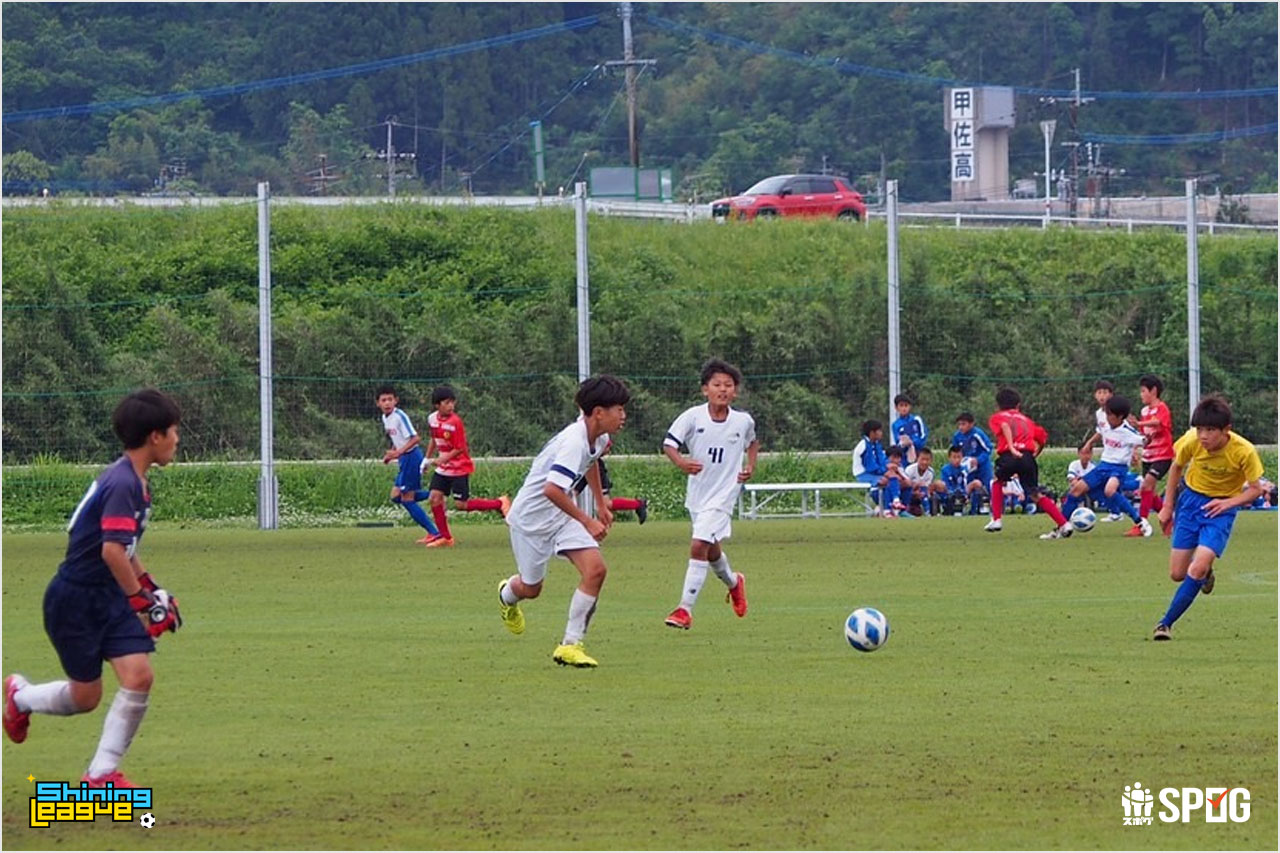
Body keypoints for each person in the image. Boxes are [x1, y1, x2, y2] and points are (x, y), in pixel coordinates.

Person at [4, 389, 184, 788]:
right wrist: (141, 603)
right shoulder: (123, 483)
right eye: (173, 431)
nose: (177, 439)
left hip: (106, 594)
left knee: (139, 676)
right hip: (76, 598)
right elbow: (111, 552)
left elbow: (126, 549)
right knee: (85, 697)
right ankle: (19, 697)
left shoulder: (134, 480)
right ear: (155, 436)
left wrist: (152, 590)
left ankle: (100, 775)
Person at [496, 375, 630, 668]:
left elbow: (591, 462)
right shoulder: (572, 442)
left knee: (596, 570)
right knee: (531, 589)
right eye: (619, 409)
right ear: (598, 412)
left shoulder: (599, 438)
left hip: (561, 517)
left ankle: (570, 644)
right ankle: (507, 596)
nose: (624, 416)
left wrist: (600, 503)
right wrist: (588, 520)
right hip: (530, 522)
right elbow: (552, 490)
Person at [1152, 395, 1265, 640]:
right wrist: (1167, 506)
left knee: (1197, 566)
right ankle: (1206, 572)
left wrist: (1228, 503)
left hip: (1221, 509)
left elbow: (1256, 490)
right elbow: (1176, 467)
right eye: (1200, 429)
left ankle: (1165, 624)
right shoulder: (1191, 441)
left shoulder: (1244, 451)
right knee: (1177, 574)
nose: (1203, 436)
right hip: (1190, 503)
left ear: (1226, 430)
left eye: (1210, 430)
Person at [662, 359, 757, 630]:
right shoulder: (693, 417)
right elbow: (669, 444)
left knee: (698, 545)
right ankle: (734, 582)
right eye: (717, 384)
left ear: (735, 391)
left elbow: (752, 442)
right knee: (711, 551)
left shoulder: (743, 421)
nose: (723, 389)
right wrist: (681, 463)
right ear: (705, 389)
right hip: (698, 495)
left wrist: (750, 466)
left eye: (728, 385)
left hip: (724, 495)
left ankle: (684, 609)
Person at [421, 385, 510, 547]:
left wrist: (444, 458)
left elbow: (460, 448)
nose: (451, 406)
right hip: (443, 469)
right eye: (447, 403)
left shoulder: (455, 422)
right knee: (434, 498)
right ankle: (446, 538)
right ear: (437, 405)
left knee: (461, 505)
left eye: (452, 402)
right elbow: (433, 439)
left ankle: (499, 503)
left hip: (459, 468)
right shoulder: (432, 419)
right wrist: (426, 459)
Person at [983, 387, 1071, 537]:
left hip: (1009, 455)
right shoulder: (1027, 420)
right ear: (1018, 405)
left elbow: (1005, 426)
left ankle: (997, 519)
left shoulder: (997, 417)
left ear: (998, 405)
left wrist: (1011, 447)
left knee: (997, 481)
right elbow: (1042, 438)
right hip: (1027, 457)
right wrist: (1035, 453)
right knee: (1035, 494)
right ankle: (1064, 524)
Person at [1061, 395, 1151, 537]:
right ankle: (1062, 526)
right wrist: (1089, 443)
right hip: (1103, 466)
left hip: (1118, 469)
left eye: (1110, 415)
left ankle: (1140, 522)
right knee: (1076, 490)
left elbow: (1144, 440)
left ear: (1120, 417)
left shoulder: (1127, 432)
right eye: (1107, 414)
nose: (1107, 417)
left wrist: (1144, 435)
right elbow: (1100, 432)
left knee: (1110, 490)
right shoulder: (1105, 424)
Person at [376, 385, 440, 543]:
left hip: (412, 457)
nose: (387, 403)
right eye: (383, 400)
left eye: (390, 399)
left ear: (396, 400)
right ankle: (435, 494)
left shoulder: (399, 416)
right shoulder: (385, 418)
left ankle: (434, 532)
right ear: (378, 403)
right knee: (395, 496)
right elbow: (398, 439)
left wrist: (398, 452)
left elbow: (415, 438)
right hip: (404, 459)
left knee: (407, 499)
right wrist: (391, 454)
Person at [1133, 374, 1174, 536]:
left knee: (1146, 486)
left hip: (1162, 456)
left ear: (1154, 391)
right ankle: (1169, 520)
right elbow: (1144, 435)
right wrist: (1135, 449)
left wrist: (1139, 423)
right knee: (1150, 492)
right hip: (1148, 456)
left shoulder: (1162, 408)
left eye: (1143, 391)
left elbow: (1158, 422)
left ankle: (1141, 525)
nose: (1141, 394)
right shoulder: (1144, 411)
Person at [572, 450, 648, 524]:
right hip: (581, 465)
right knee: (570, 495)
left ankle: (638, 504)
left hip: (593, 467)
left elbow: (605, 448)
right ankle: (637, 504)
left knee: (605, 503)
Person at [1082, 380, 1122, 522]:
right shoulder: (1099, 413)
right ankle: (1116, 512)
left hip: (1120, 456)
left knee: (1109, 486)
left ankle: (1129, 515)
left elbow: (1128, 431)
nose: (1102, 396)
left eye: (1105, 392)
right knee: (1108, 486)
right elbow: (1101, 431)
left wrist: (1134, 450)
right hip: (1108, 455)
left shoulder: (1118, 411)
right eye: (1099, 393)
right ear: (1095, 395)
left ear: (1111, 395)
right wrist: (1089, 442)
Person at [852, 419, 901, 515]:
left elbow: (881, 460)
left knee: (893, 477)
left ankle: (895, 502)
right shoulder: (864, 446)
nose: (881, 433)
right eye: (879, 431)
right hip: (863, 474)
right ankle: (887, 509)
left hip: (873, 473)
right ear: (872, 433)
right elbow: (870, 467)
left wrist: (887, 467)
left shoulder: (876, 444)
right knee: (885, 481)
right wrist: (885, 469)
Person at [951, 412, 993, 515]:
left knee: (986, 487)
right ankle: (970, 509)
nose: (961, 427)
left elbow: (988, 448)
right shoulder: (957, 436)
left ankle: (989, 509)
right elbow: (955, 451)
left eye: (963, 424)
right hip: (967, 466)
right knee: (968, 486)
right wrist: (961, 461)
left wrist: (978, 460)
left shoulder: (977, 434)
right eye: (959, 424)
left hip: (982, 466)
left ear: (971, 424)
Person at [901, 446, 942, 516]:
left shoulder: (931, 472)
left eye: (927, 460)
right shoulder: (909, 470)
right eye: (922, 459)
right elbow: (906, 485)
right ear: (917, 459)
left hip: (922, 494)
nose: (924, 462)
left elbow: (927, 487)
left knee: (933, 494)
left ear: (931, 460)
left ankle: (930, 512)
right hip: (910, 494)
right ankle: (905, 510)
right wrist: (914, 490)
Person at [890, 394, 929, 463]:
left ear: (910, 406)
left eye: (906, 405)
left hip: (919, 455)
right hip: (905, 459)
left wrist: (913, 442)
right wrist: (904, 444)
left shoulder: (916, 419)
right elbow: (897, 442)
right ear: (896, 408)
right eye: (901, 405)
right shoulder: (895, 425)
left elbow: (924, 435)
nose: (904, 408)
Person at [938, 446, 970, 516]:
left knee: (976, 484)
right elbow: (945, 485)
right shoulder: (945, 470)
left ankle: (974, 511)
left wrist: (964, 493)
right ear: (949, 458)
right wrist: (952, 492)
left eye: (959, 457)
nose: (957, 460)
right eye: (954, 457)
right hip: (949, 495)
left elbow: (966, 483)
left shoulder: (964, 469)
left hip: (962, 493)